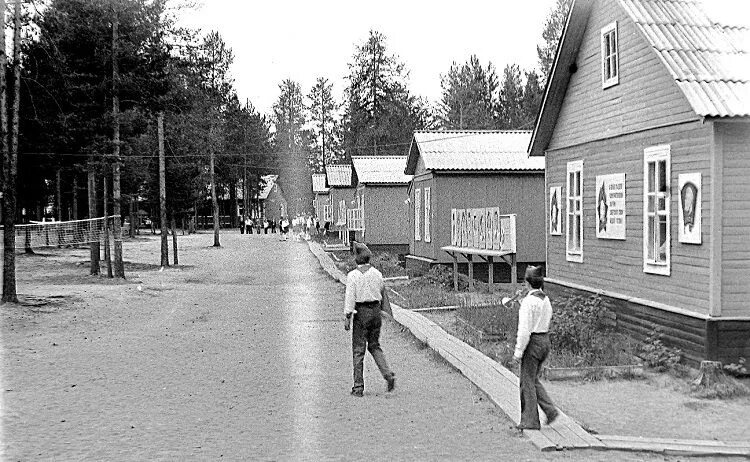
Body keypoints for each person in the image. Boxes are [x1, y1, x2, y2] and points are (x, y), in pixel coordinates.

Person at [344, 242, 396, 397]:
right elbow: (382, 292)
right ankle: (387, 374)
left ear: (356, 258)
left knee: (358, 350)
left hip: (361, 312)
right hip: (375, 312)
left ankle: (358, 387)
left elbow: (350, 298)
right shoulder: (377, 274)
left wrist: (347, 316)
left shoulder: (353, 276)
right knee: (374, 345)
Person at [512, 265, 559, 430]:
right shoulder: (544, 299)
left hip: (532, 342)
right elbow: (540, 318)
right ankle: (550, 410)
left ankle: (530, 421)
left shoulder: (528, 302)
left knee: (526, 382)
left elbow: (524, 330)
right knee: (533, 379)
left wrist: (518, 351)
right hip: (545, 340)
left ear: (527, 283)